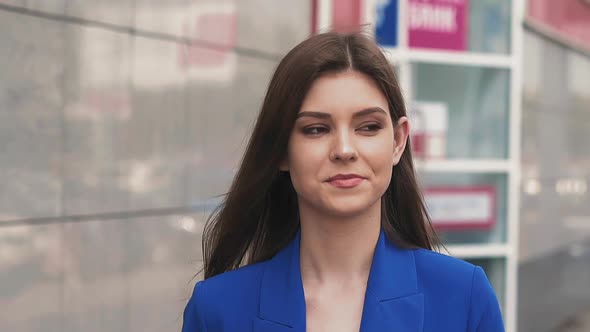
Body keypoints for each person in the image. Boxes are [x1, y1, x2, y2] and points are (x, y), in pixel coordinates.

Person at [182, 31, 504, 332]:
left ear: (398, 141)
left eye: (367, 127)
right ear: (280, 149)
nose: (345, 150)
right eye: (316, 129)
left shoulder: (464, 298)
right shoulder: (216, 310)